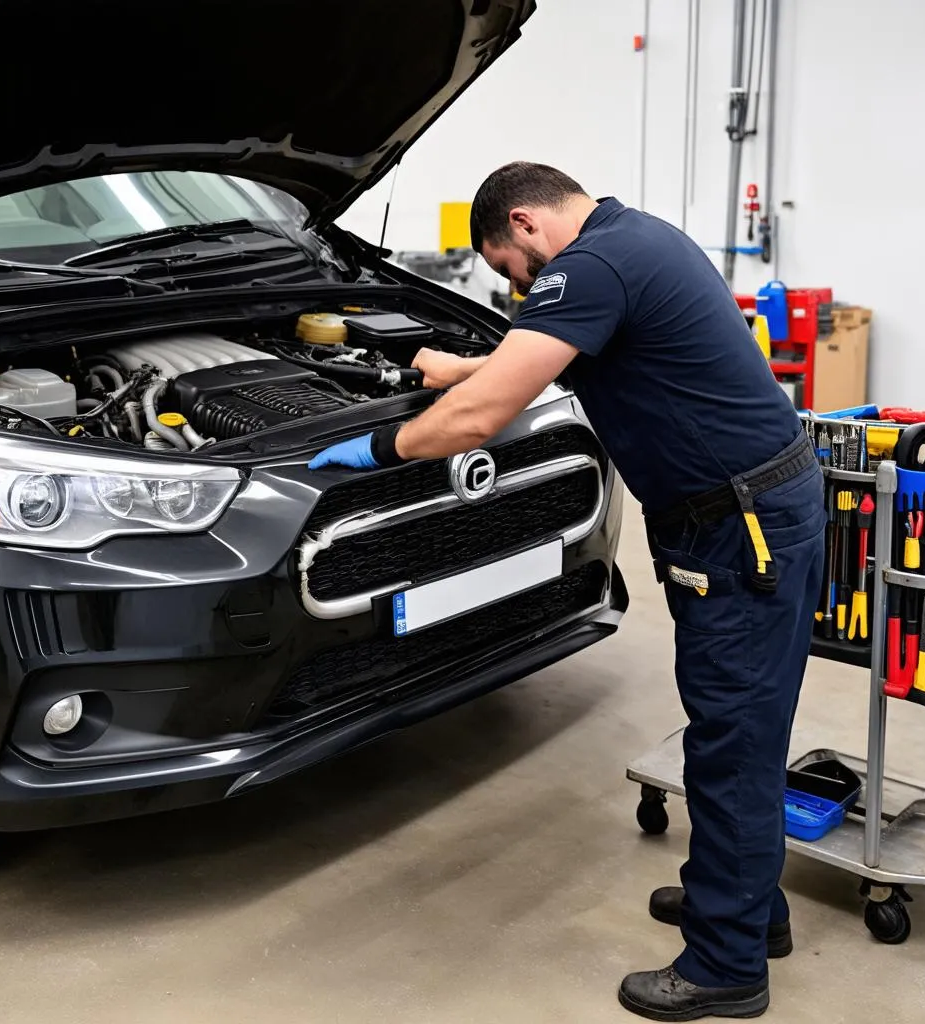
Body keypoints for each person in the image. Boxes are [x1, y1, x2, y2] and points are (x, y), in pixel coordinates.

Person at [307, 162, 826, 1021]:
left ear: (524, 224)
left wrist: (382, 450)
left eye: (515, 274)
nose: (522, 289)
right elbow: (556, 353)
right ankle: (744, 910)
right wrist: (462, 364)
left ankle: (726, 967)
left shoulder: (587, 268)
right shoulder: (628, 240)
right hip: (752, 510)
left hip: (740, 529)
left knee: (733, 737)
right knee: (742, 727)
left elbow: (480, 423)